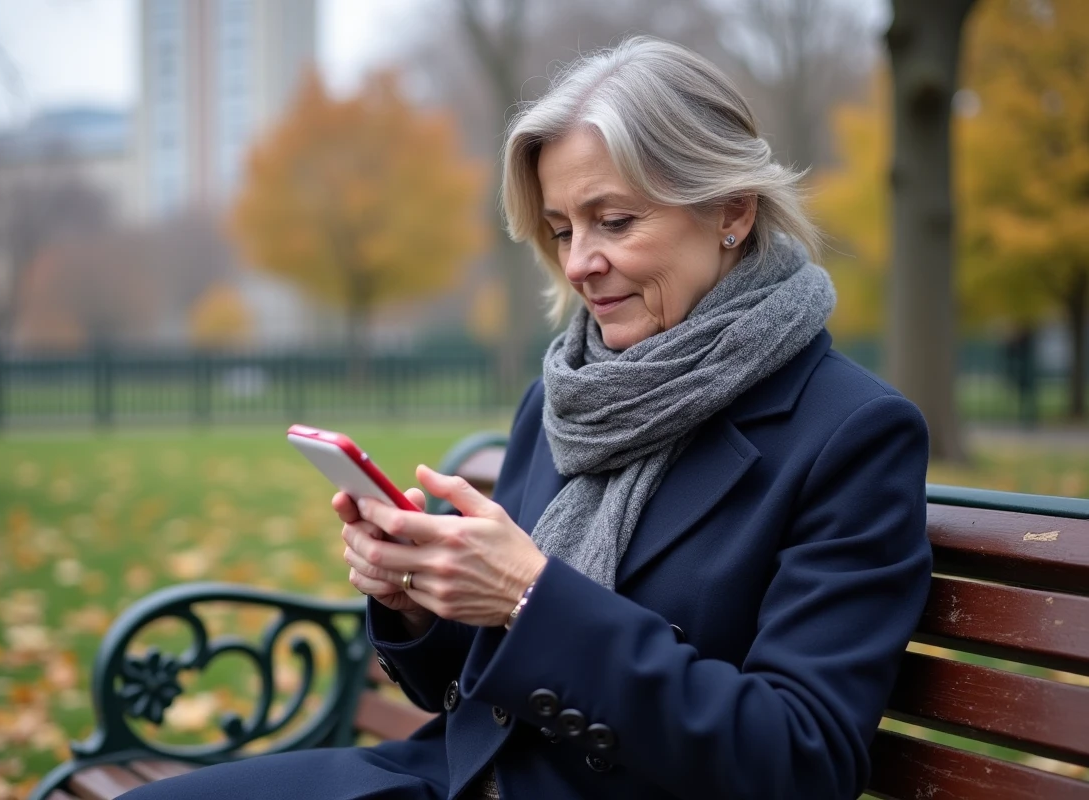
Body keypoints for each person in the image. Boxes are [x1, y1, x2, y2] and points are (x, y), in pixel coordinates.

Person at [122, 35, 932, 800]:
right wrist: (418, 600)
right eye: (561, 229)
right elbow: (473, 682)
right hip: (453, 775)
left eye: (614, 221)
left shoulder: (851, 435)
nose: (579, 261)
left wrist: (531, 597)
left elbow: (800, 761)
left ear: (731, 211)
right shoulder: (564, 396)